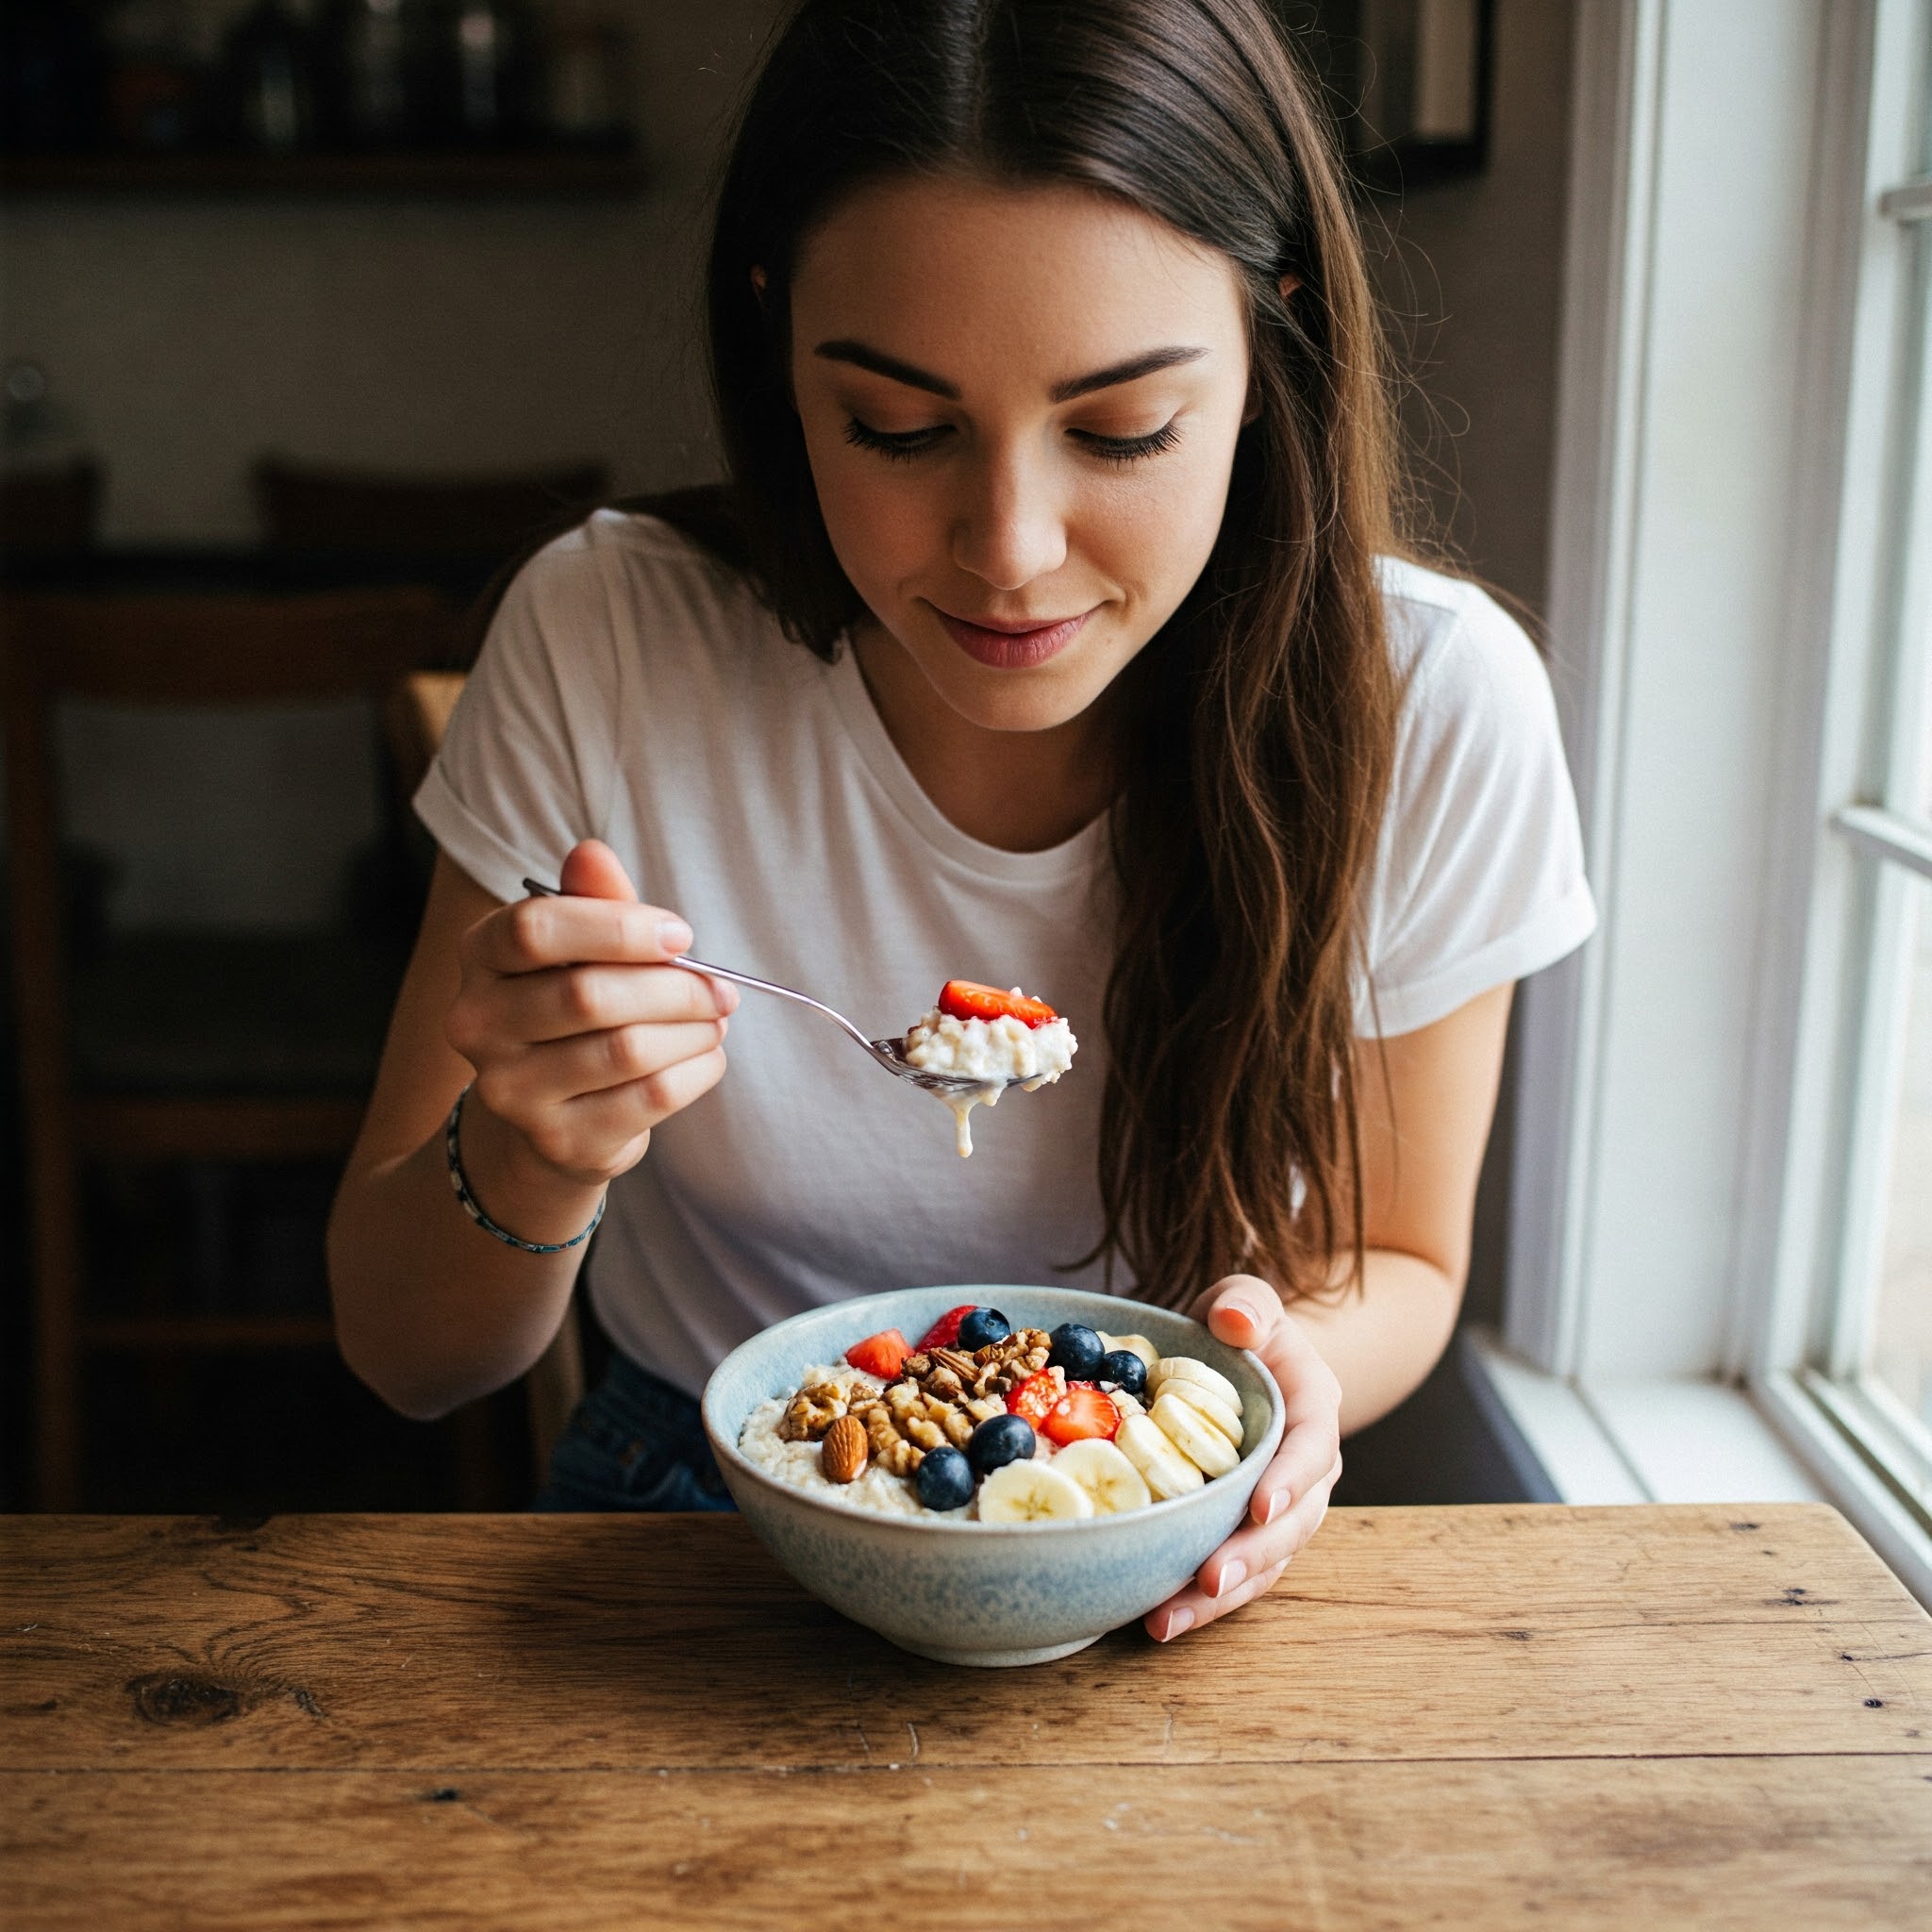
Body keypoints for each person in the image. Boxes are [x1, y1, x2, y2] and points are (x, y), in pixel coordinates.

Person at [328, 0, 1595, 1642]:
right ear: (781, 348)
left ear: (1272, 346)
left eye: (1121, 429)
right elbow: (408, 1354)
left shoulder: (1431, 704)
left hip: (1149, 1508)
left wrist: (1283, 1372)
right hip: (695, 1521)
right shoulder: (609, 639)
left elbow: (1398, 1259)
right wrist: (529, 1146)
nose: (1008, 548)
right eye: (898, 428)